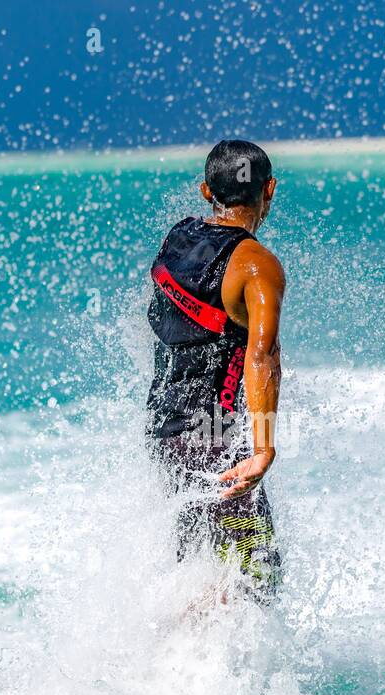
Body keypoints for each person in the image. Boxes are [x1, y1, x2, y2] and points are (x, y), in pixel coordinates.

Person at [144, 139, 285, 599]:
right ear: (270, 190)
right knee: (257, 577)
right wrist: (262, 449)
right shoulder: (257, 266)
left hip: (164, 430)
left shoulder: (178, 237)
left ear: (207, 191)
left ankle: (167, 666)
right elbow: (262, 357)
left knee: (197, 569)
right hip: (215, 438)